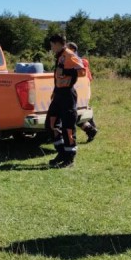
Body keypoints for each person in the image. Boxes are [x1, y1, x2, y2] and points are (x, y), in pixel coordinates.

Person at [47, 34, 86, 168]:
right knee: (50, 124)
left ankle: (69, 157)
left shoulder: (69, 54)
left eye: (52, 45)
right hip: (58, 94)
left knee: (68, 126)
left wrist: (66, 71)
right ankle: (61, 152)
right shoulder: (59, 55)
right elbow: (57, 75)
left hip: (67, 95)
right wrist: (54, 90)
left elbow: (82, 71)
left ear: (58, 44)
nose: (51, 48)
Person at [66, 42, 98, 142]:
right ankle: (91, 128)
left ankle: (90, 129)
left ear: (73, 50)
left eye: (68, 49)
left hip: (76, 91)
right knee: (79, 111)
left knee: (73, 113)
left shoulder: (75, 62)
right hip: (82, 90)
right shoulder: (82, 62)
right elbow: (89, 78)